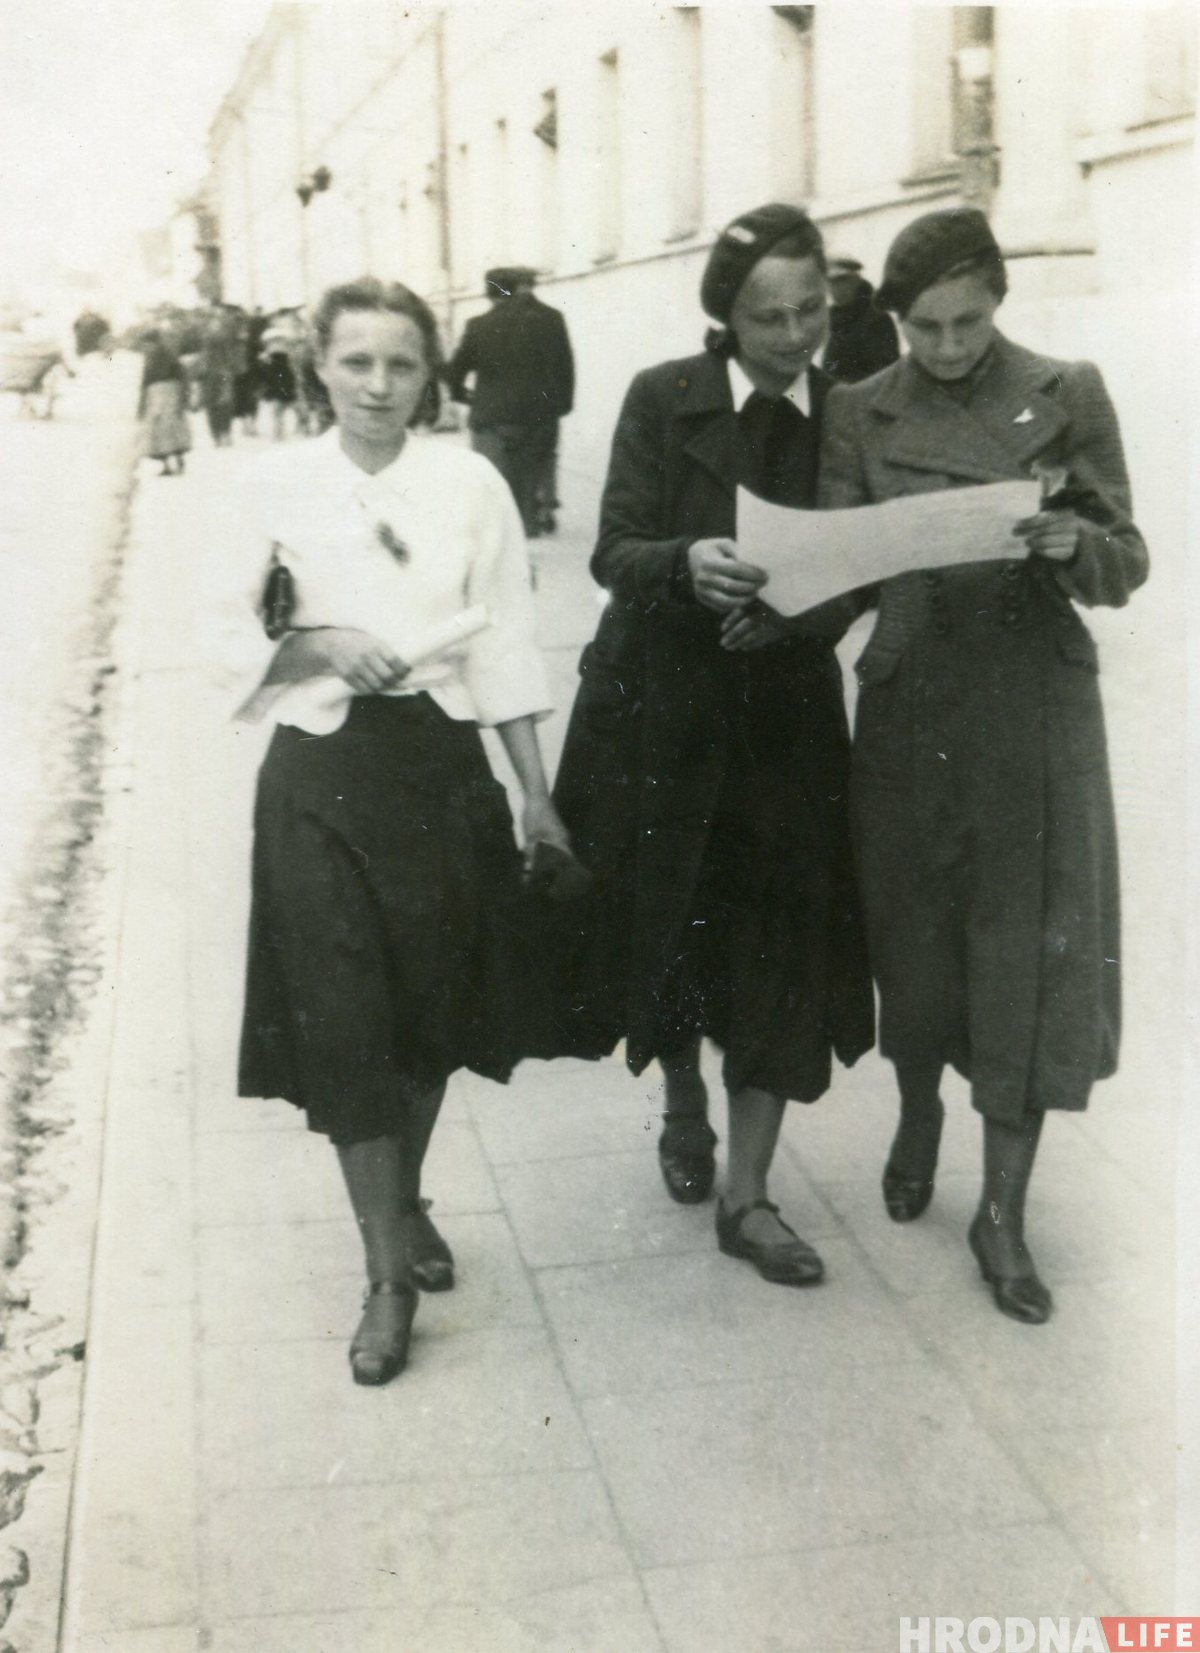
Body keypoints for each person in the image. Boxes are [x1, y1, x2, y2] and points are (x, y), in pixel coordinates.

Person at [213, 277, 571, 1385]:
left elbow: (506, 638)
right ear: (318, 365)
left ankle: (405, 1200)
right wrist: (317, 644)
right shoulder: (271, 483)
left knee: (425, 1014)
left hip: (437, 774)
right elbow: (221, 629)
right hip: (319, 774)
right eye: (357, 362)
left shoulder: (470, 483)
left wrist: (535, 792)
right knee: (346, 1016)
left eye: (402, 365)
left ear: (433, 373)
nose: (379, 386)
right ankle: (386, 1275)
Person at [818, 207, 1149, 1324]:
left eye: (966, 324)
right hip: (914, 708)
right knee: (916, 938)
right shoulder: (859, 410)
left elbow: (1126, 560)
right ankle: (919, 1112)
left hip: (1033, 716)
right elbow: (837, 563)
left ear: (999, 300)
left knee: (1029, 954)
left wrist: (1073, 545)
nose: (948, 348)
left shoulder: (1069, 390)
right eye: (924, 329)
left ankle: (1001, 1210)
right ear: (896, 321)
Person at [550, 204, 874, 1286]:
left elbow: (868, 560)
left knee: (779, 943)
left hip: (783, 722)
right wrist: (687, 562)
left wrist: (805, 615)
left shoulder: (853, 411)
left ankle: (751, 1196)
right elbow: (613, 548)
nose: (795, 337)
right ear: (725, 319)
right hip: (664, 713)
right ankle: (682, 1097)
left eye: (812, 311)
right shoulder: (661, 397)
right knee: (674, 923)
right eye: (767, 316)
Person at [446, 267, 575, 536]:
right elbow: (565, 369)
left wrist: (466, 397)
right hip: (540, 416)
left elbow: (455, 372)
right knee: (534, 471)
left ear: (490, 294)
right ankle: (537, 516)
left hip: (491, 419)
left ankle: (502, 535)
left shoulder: (478, 325)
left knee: (492, 481)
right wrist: (560, 407)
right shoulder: (552, 319)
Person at [822, 255, 900, 384]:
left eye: (842, 280)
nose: (835, 287)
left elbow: (885, 373)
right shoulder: (832, 317)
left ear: (856, 280)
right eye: (830, 282)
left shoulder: (877, 318)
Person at [138, 329, 191, 475]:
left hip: (166, 394)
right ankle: (170, 463)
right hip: (160, 394)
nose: (146, 347)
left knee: (165, 428)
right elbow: (145, 383)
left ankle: (172, 463)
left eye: (147, 344)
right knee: (165, 429)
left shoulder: (162, 355)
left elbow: (180, 376)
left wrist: (183, 397)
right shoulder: (161, 355)